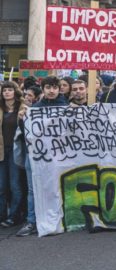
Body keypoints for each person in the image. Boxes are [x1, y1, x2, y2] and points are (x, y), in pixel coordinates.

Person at [16, 76, 68, 237]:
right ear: (43, 89)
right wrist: (22, 121)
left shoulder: (67, 107)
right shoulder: (35, 109)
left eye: (54, 87)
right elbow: (27, 134)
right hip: (36, 156)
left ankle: (60, 219)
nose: (51, 90)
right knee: (34, 189)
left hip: (58, 156)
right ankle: (32, 221)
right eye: (48, 87)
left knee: (58, 187)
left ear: (59, 89)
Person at [0, 81, 27, 228]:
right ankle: (2, 215)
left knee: (15, 184)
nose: (6, 93)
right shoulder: (0, 109)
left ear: (15, 92)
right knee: (1, 186)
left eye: (9, 90)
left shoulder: (23, 109)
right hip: (2, 151)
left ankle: (14, 216)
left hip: (16, 151)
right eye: (4, 90)